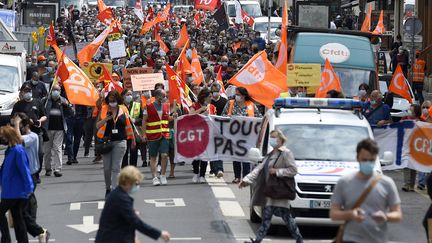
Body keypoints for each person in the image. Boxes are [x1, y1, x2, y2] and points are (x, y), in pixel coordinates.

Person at [330, 139, 402, 243]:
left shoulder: (387, 183)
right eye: (364, 160)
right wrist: (350, 214)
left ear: (376, 158)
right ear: (357, 158)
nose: (368, 163)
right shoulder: (344, 182)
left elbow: (398, 215)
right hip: (350, 239)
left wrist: (386, 216)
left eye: (371, 160)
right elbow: (334, 214)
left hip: (378, 240)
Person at [239, 130, 303, 243]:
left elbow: (293, 170)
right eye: (271, 138)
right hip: (271, 193)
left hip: (280, 193)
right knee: (266, 219)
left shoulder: (286, 153)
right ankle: (257, 240)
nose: (272, 140)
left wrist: (277, 172)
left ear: (281, 140)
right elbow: (259, 169)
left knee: (288, 219)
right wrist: (246, 180)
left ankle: (299, 239)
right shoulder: (271, 153)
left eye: (274, 138)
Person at [95, 166, 171, 243]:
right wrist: (159, 234)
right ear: (128, 182)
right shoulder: (121, 198)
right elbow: (135, 222)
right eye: (136, 183)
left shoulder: (116, 194)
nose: (137, 186)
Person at [12, 113, 50, 243]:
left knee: (21, 209)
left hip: (30, 176)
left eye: (20, 125)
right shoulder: (22, 135)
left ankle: (39, 231)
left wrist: (17, 124)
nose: (18, 127)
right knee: (25, 206)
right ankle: (37, 230)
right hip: (21, 176)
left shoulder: (33, 137)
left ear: (26, 125)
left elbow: (18, 139)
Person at [96, 91, 135, 197]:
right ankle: (108, 188)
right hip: (106, 142)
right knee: (107, 168)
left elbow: (128, 126)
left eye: (114, 100)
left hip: (120, 142)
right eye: (110, 100)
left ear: (118, 100)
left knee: (116, 167)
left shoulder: (123, 109)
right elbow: (97, 126)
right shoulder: (104, 109)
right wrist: (106, 119)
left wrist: (133, 139)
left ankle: (114, 190)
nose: (112, 102)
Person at [0, 125, 34, 243]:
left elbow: (25, 170)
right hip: (11, 191)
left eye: (3, 136)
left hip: (15, 192)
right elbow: (4, 170)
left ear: (8, 137)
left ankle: (5, 239)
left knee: (4, 214)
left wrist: (29, 187)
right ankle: (22, 240)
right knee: (17, 217)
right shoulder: (10, 151)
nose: (2, 139)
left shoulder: (18, 150)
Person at [222, 87, 261, 184]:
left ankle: (245, 177)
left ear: (243, 96)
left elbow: (259, 118)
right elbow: (223, 116)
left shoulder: (251, 105)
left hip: (248, 136)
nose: (236, 96)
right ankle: (237, 177)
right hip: (234, 136)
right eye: (236, 94)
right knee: (236, 156)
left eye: (238, 94)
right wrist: (228, 118)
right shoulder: (230, 103)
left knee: (247, 157)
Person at [11, 85, 47, 184]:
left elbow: (44, 115)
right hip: (23, 134)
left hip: (36, 132)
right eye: (25, 91)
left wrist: (40, 121)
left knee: (40, 153)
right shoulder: (18, 105)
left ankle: (37, 173)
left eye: (29, 91)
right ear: (22, 92)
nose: (27, 93)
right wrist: (20, 121)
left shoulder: (38, 102)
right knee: (24, 154)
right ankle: (27, 173)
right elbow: (12, 118)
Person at [142, 89, 177, 186]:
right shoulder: (148, 107)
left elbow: (166, 119)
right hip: (152, 135)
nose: (165, 97)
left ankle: (163, 175)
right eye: (164, 96)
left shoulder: (166, 106)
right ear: (157, 96)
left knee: (165, 155)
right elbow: (144, 121)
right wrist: (144, 134)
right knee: (153, 157)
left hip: (165, 134)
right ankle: (154, 177)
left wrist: (173, 117)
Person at [42, 85, 72, 177]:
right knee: (47, 150)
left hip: (59, 129)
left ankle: (57, 169)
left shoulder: (63, 100)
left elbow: (71, 113)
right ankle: (48, 169)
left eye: (57, 90)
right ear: (51, 90)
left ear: (60, 91)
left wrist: (67, 105)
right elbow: (40, 111)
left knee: (58, 149)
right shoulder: (45, 100)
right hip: (47, 128)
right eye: (54, 89)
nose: (56, 91)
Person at [189, 89, 216, 183]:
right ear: (204, 97)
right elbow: (190, 116)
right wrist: (200, 110)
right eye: (209, 96)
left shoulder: (212, 107)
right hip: (195, 133)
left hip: (207, 133)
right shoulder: (194, 105)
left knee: (205, 155)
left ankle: (202, 175)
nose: (211, 98)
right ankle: (196, 173)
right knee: (196, 155)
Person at [401, 104, 422, 192]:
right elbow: (398, 126)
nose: (409, 111)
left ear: (416, 112)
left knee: (413, 166)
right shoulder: (405, 119)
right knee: (406, 164)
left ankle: (412, 185)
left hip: (416, 147)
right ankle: (406, 184)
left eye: (411, 110)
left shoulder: (421, 121)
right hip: (406, 145)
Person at [210, 82, 228, 177]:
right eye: (213, 91)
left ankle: (220, 169)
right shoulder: (209, 101)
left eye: (216, 91)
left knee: (219, 148)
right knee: (212, 149)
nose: (215, 93)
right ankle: (213, 168)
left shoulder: (224, 101)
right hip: (210, 128)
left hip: (221, 128)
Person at [121, 89, 143, 168]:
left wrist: (135, 120)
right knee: (124, 153)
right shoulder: (120, 106)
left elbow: (141, 119)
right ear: (123, 96)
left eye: (130, 94)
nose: (129, 96)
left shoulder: (136, 105)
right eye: (127, 94)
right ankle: (125, 171)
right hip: (123, 133)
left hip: (134, 133)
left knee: (134, 152)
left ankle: (133, 170)